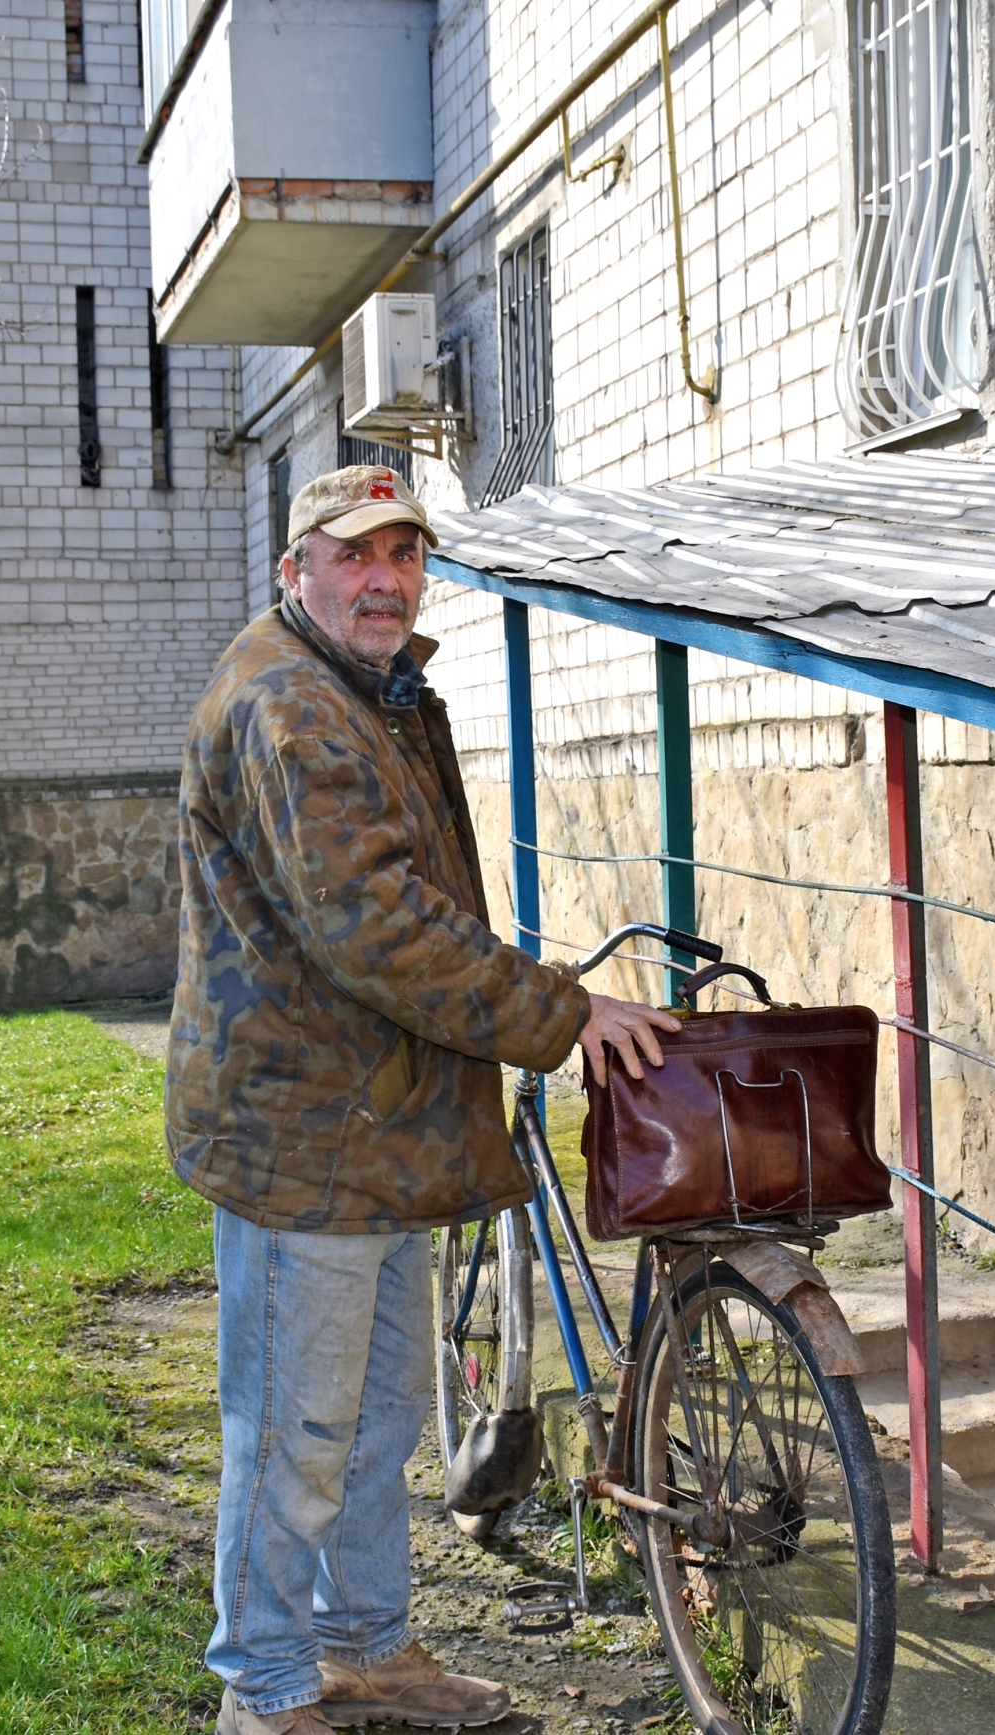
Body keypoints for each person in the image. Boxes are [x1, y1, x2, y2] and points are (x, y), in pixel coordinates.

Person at [168, 465, 682, 1734]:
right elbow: (378, 929)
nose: (383, 576)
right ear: (295, 570)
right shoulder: (291, 707)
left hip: (380, 1126)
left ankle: (366, 1651)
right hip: (306, 1138)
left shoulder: (371, 692)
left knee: (380, 1414)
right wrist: (562, 1015)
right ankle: (268, 1688)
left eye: (402, 552)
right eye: (353, 555)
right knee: (294, 1432)